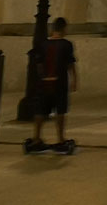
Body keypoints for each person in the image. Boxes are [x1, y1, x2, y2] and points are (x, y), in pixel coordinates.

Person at [26, 17, 78, 154]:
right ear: (64, 29)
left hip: (44, 82)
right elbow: (70, 64)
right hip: (60, 82)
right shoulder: (66, 45)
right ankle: (60, 138)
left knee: (41, 110)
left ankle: (36, 137)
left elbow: (38, 64)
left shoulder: (43, 44)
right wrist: (74, 79)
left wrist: (41, 78)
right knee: (60, 110)